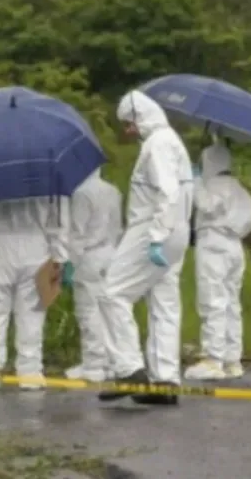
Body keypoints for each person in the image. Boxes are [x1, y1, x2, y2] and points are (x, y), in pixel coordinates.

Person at [96, 90, 194, 405]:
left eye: (128, 123)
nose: (127, 131)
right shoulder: (172, 140)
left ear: (140, 116)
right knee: (164, 301)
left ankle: (129, 370)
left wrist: (155, 235)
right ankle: (165, 380)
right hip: (177, 229)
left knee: (112, 293)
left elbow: (166, 192)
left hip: (155, 227)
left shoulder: (158, 144)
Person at [0, 191, 69, 392]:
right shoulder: (50, 164)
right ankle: (30, 371)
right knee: (32, 310)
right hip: (37, 244)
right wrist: (60, 255)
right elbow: (58, 218)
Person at [184, 135, 251, 381]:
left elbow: (205, 205)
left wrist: (194, 180)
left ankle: (213, 359)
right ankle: (232, 359)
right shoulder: (240, 189)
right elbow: (248, 221)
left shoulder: (212, 186)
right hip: (235, 247)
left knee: (212, 300)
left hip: (213, 244)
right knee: (231, 302)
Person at [62, 168, 124, 383]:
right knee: (109, 310)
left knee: (88, 311)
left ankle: (94, 364)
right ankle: (112, 360)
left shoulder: (81, 193)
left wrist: (70, 263)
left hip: (89, 256)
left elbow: (78, 233)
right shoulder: (113, 191)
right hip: (111, 252)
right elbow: (118, 227)